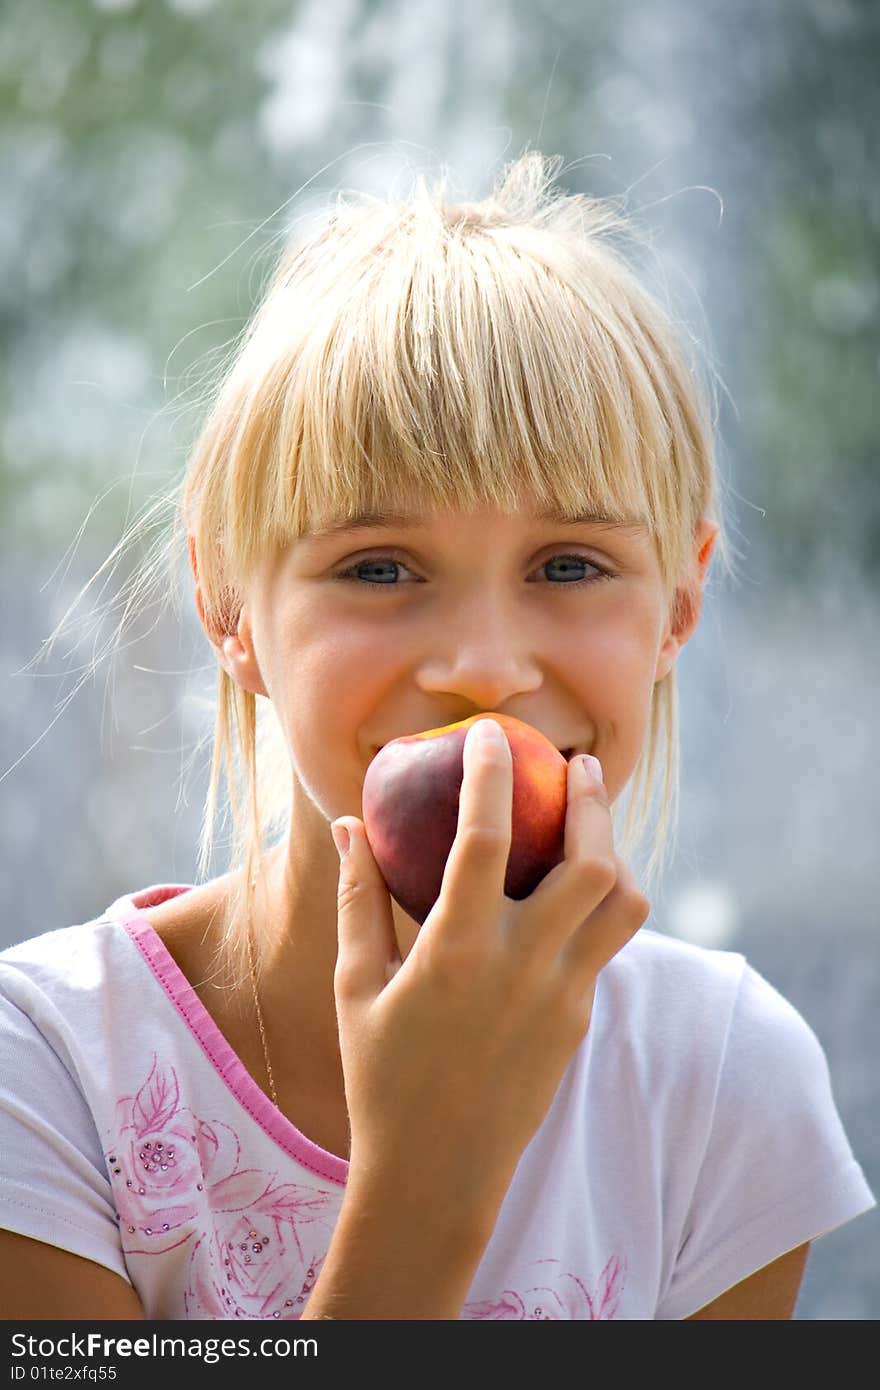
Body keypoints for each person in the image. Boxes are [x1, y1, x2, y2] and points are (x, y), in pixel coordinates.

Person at [0, 153, 874, 1322]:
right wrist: (426, 1175)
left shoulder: (720, 1080)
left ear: (676, 606)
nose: (482, 665)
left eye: (569, 565)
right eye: (378, 567)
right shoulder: (49, 1072)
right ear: (226, 607)